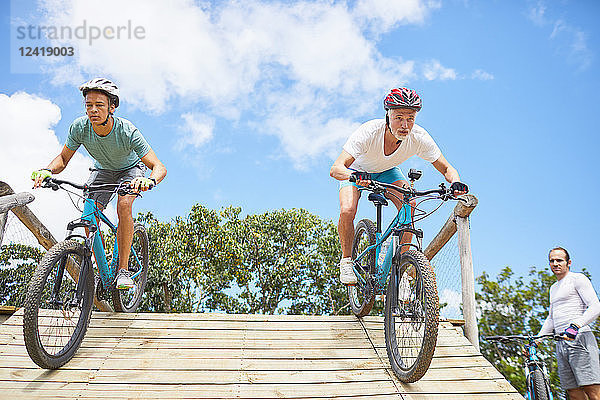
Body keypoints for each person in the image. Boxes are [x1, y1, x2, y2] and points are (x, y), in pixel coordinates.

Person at [31, 78, 167, 290]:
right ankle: (98, 269)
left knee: (124, 205)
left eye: (99, 105)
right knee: (87, 215)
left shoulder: (126, 131)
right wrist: (46, 170)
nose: (93, 110)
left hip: (131, 170)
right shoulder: (79, 128)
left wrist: (148, 180)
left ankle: (123, 270)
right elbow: (63, 159)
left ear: (112, 107)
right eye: (88, 105)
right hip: (102, 170)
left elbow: (159, 166)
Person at [329, 87, 468, 284]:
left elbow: (447, 168)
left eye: (410, 118)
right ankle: (346, 261)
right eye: (399, 118)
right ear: (388, 115)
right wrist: (355, 176)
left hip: (387, 171)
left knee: (409, 205)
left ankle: (401, 270)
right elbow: (336, 169)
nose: (405, 125)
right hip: (357, 171)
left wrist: (456, 183)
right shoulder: (369, 132)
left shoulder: (419, 137)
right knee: (348, 209)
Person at [538, 247, 600, 400]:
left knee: (591, 388)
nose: (555, 263)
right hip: (561, 342)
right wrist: (538, 340)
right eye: (552, 261)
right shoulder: (553, 288)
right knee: (572, 391)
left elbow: (596, 306)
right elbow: (551, 318)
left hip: (580, 338)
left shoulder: (577, 279)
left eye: (559, 260)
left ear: (569, 262)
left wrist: (575, 325)